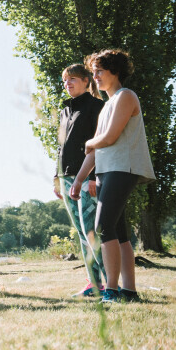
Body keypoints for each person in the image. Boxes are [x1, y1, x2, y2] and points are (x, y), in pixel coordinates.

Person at [71, 50, 155, 304]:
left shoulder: (126, 97)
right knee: (119, 232)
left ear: (114, 72)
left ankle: (112, 290)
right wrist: (79, 179)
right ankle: (129, 292)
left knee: (102, 227)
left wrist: (88, 141)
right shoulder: (108, 105)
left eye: (99, 71)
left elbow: (109, 138)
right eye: (93, 71)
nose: (94, 76)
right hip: (109, 171)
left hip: (124, 168)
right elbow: (97, 149)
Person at [54, 63, 107, 296]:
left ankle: (111, 283)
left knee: (91, 232)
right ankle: (93, 284)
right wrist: (56, 176)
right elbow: (61, 147)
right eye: (66, 80)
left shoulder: (98, 106)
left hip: (87, 177)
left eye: (73, 79)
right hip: (66, 178)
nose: (68, 83)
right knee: (81, 233)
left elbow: (101, 144)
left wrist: (94, 177)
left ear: (87, 81)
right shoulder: (65, 111)